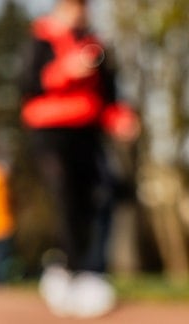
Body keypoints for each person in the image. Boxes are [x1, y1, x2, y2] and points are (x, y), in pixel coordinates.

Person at [19, 0, 139, 318]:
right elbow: (27, 84)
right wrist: (64, 71)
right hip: (51, 135)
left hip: (88, 134)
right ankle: (68, 271)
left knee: (102, 197)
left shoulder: (95, 45)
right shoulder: (40, 39)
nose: (81, 11)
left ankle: (90, 272)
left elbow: (109, 94)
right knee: (67, 201)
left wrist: (119, 116)